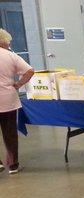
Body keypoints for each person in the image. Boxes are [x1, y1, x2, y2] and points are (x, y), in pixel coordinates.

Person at [0, 28, 34, 174]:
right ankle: (13, 165)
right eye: (8, 42)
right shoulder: (11, 56)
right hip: (8, 98)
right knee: (10, 133)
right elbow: (30, 71)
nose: (9, 45)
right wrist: (18, 84)